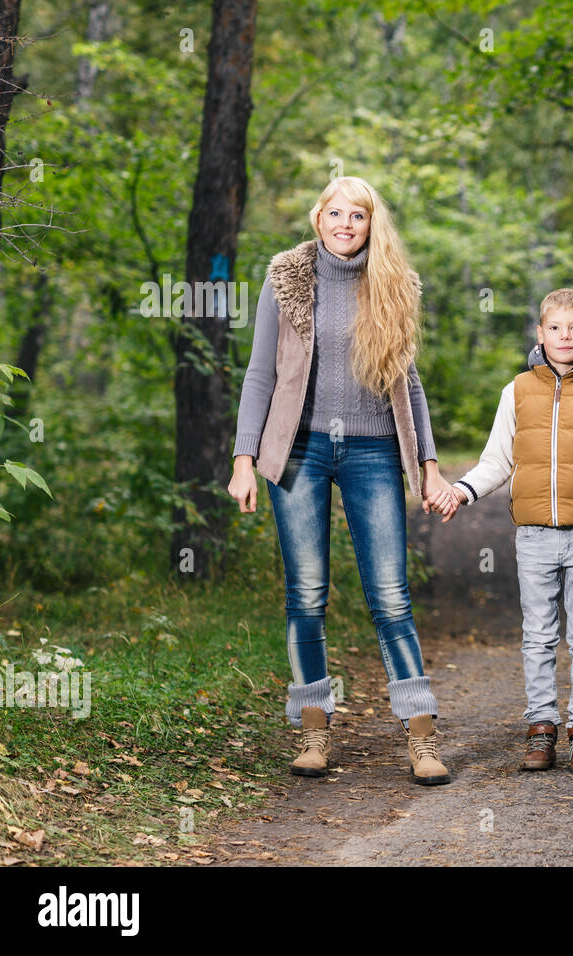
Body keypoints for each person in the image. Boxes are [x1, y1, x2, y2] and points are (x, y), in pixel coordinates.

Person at [227, 176, 458, 786]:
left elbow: (409, 384)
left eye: (357, 215)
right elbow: (259, 375)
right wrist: (242, 458)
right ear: (319, 217)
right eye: (336, 213)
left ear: (370, 223)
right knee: (306, 595)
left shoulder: (395, 284)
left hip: (372, 450)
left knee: (390, 597)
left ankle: (422, 736)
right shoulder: (286, 279)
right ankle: (313, 729)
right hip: (299, 450)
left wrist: (429, 465)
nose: (345, 224)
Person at [445, 289, 573, 772]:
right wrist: (461, 491)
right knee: (537, 635)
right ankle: (541, 729)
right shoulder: (517, 390)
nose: (565, 336)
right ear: (540, 334)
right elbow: (497, 459)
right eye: (555, 328)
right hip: (534, 535)